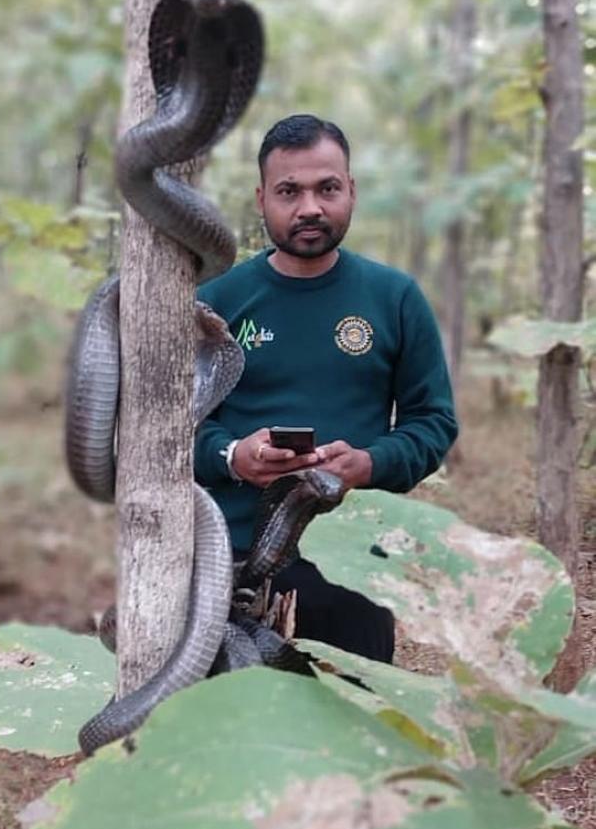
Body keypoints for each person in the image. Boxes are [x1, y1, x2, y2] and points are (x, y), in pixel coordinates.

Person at [194, 114, 458, 663]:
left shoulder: (395, 297)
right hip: (229, 564)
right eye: (290, 191)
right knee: (238, 735)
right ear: (262, 198)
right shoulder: (217, 300)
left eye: (327, 188)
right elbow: (173, 428)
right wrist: (233, 456)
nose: (309, 207)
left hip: (354, 563)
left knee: (355, 732)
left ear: (351, 191)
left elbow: (433, 423)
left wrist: (368, 463)